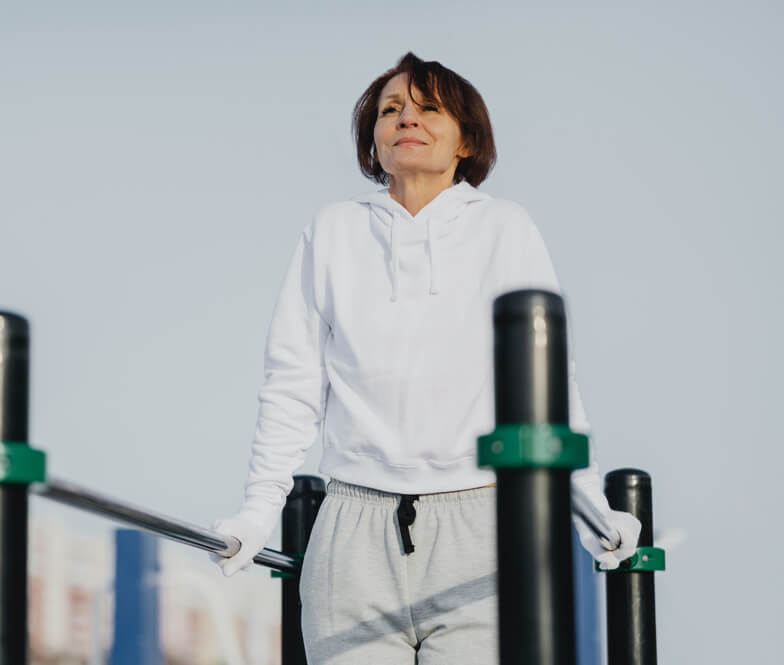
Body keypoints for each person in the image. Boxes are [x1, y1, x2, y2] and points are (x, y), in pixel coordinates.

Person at [212, 52, 641, 664]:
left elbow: (547, 379)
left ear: (466, 137)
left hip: (482, 525)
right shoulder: (331, 232)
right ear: (373, 141)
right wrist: (257, 513)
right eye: (391, 110)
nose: (406, 119)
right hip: (353, 533)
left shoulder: (505, 229)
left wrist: (587, 500)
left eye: (429, 108)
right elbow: (293, 383)